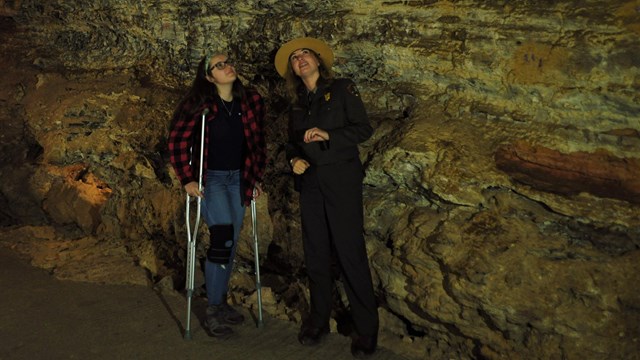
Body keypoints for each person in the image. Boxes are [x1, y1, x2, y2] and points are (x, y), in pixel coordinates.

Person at [274, 37, 379, 358]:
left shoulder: (343, 88)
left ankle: (366, 329)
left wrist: (329, 135)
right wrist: (293, 160)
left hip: (342, 179)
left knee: (350, 252)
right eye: (294, 57)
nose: (299, 59)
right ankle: (318, 320)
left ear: (318, 60)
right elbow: (292, 143)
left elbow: (363, 129)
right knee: (315, 253)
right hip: (311, 183)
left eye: (305, 53)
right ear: (292, 70)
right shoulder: (296, 103)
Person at [168, 52, 266, 339]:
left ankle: (220, 302)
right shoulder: (199, 104)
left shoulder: (251, 100)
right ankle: (212, 309)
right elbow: (177, 139)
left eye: (228, 62)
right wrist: (186, 178)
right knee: (222, 237)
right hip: (211, 178)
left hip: (239, 178)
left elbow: (258, 142)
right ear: (209, 76)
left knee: (231, 241)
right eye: (219, 65)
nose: (227, 67)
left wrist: (255, 177)